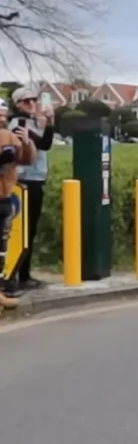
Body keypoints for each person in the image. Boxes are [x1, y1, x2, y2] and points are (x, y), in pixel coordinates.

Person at [7, 87, 54, 293]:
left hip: (36, 180)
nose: (32, 104)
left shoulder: (33, 123)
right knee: (24, 230)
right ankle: (20, 276)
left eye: (35, 100)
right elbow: (44, 144)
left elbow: (45, 142)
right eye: (27, 101)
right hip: (26, 182)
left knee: (30, 230)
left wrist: (47, 122)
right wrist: (48, 122)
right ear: (18, 104)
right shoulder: (19, 124)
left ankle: (24, 274)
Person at [0, 99, 36, 310]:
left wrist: (27, 142)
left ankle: (1, 291)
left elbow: (27, 159)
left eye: (4, 116)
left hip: (5, 197)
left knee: (1, 249)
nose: (3, 119)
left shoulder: (10, 136)